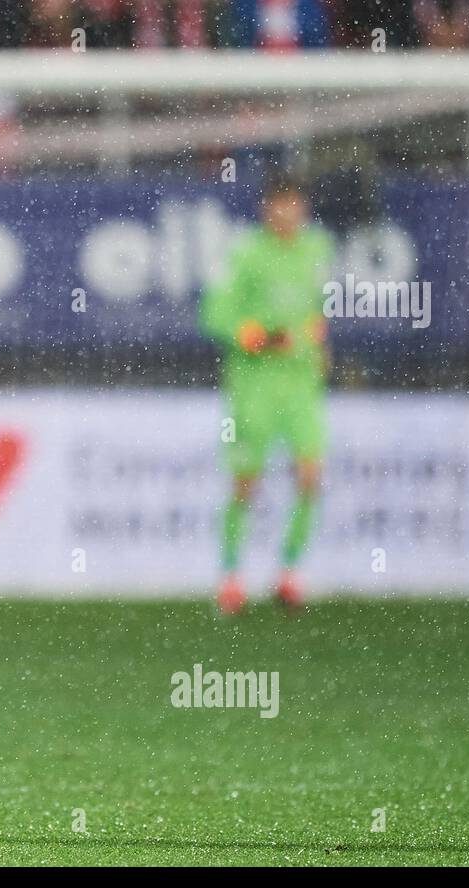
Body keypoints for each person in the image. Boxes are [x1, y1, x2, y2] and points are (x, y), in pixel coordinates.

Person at [199, 171, 334, 614]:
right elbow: (213, 315)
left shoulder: (318, 249)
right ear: (266, 209)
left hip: (300, 383)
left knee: (311, 476)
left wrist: (317, 338)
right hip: (253, 384)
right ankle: (231, 577)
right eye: (279, 204)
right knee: (245, 484)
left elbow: (316, 311)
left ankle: (289, 575)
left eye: (294, 204)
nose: (287, 213)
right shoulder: (244, 254)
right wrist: (253, 335)